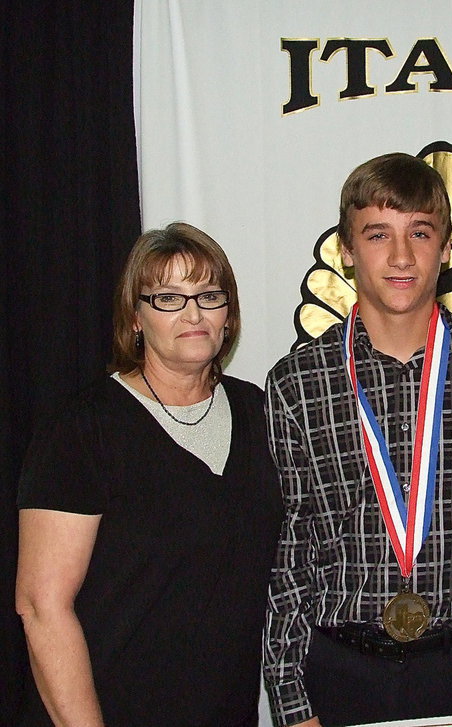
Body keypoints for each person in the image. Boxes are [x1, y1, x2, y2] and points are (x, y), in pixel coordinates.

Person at [263, 153, 452, 727]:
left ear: (445, 247)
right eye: (378, 235)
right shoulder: (297, 383)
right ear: (347, 253)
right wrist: (290, 697)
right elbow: (288, 553)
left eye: (419, 233)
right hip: (338, 669)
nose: (401, 256)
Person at [15, 222, 284, 727]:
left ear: (229, 315)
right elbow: (41, 605)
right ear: (135, 318)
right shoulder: (83, 428)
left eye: (209, 295)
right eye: (168, 298)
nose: (193, 313)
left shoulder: (261, 413)